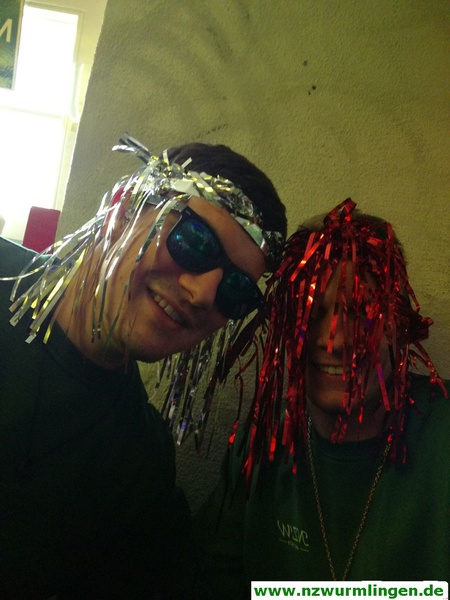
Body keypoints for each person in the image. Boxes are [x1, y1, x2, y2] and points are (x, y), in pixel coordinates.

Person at [0, 133, 287, 599]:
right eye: (195, 242)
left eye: (235, 289)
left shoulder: (140, 464)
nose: (203, 294)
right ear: (122, 207)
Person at [194, 198, 449, 597]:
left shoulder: (440, 437)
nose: (335, 340)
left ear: (399, 323)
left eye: (360, 311)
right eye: (308, 310)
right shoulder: (260, 440)